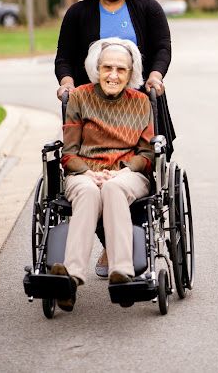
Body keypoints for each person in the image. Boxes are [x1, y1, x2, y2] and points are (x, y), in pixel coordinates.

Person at [54, 0, 175, 276]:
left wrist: (154, 75)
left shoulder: (147, 9)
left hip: (139, 107)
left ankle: (121, 250)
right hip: (91, 111)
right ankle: (112, 247)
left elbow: (163, 47)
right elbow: (64, 55)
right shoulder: (78, 14)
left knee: (137, 175)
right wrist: (66, 83)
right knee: (88, 184)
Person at [50, 38, 154, 312]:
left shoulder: (142, 102)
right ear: (96, 69)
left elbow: (147, 154)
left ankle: (122, 273)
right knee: (86, 190)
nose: (114, 75)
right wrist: (87, 172)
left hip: (127, 174)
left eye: (121, 69)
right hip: (84, 172)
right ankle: (70, 279)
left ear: (131, 74)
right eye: (107, 67)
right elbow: (69, 152)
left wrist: (119, 172)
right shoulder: (80, 97)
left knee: (113, 189)